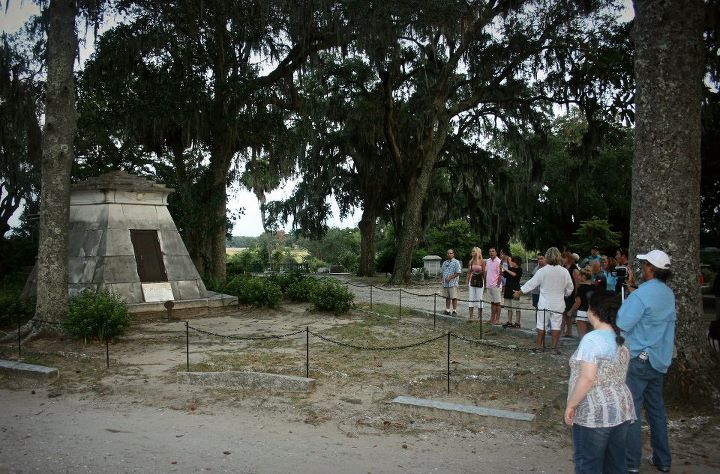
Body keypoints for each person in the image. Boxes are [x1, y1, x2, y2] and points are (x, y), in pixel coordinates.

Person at [617, 249, 675, 473]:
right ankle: (663, 460)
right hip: (659, 360)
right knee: (656, 412)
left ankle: (631, 463)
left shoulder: (642, 294)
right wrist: (634, 291)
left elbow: (623, 321)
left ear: (651, 269)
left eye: (644, 265)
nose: (642, 268)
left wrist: (632, 294)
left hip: (639, 361)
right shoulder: (667, 293)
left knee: (632, 411)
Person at [564, 290, 636, 473]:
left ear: (592, 311)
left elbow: (587, 378)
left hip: (595, 411)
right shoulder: (621, 337)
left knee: (588, 464)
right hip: (621, 408)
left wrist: (571, 405)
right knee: (616, 464)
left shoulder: (592, 339)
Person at [514, 247, 574, 354]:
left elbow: (531, 284)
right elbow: (570, 288)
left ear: (547, 257)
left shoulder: (542, 271)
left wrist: (519, 292)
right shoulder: (564, 271)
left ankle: (538, 347)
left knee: (541, 325)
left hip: (544, 303)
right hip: (558, 304)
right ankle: (554, 349)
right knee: (556, 325)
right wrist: (564, 294)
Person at [569, 268, 595, 339]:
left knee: (582, 336)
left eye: (579, 275)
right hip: (593, 312)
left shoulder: (581, 288)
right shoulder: (595, 287)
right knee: (591, 336)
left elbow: (578, 302)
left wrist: (571, 311)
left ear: (583, 277)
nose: (578, 277)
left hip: (582, 312)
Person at [562, 250, 581, 338]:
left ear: (568, 258)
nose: (562, 259)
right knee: (563, 312)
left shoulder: (574, 269)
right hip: (563, 292)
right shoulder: (563, 267)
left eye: (564, 257)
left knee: (568, 313)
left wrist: (575, 295)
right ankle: (562, 330)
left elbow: (577, 284)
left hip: (571, 293)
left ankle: (569, 331)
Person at [502, 256, 523, 328]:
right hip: (508, 289)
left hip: (515, 290)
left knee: (516, 307)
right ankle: (510, 321)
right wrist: (502, 268)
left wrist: (506, 269)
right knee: (509, 307)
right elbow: (503, 274)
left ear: (516, 262)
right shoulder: (510, 269)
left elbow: (514, 274)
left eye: (513, 261)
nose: (511, 262)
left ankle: (517, 322)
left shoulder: (519, 269)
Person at [440, 249, 462, 317]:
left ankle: (454, 311)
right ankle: (447, 310)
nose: (449, 254)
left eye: (451, 253)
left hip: (453, 283)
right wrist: (441, 278)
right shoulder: (445, 262)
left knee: (454, 297)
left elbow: (458, 272)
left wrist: (450, 277)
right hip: (445, 283)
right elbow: (442, 271)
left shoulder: (456, 262)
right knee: (447, 297)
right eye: (448, 253)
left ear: (453, 254)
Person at [484, 247, 503, 325]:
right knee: (492, 303)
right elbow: (486, 271)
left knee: (497, 303)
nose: (491, 253)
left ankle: (497, 319)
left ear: (496, 252)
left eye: (493, 251)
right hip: (489, 285)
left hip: (496, 285)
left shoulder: (499, 261)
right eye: (490, 251)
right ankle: (492, 319)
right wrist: (485, 282)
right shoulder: (487, 261)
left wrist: (498, 284)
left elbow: (501, 274)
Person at [466, 247, 485, 321]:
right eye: (472, 251)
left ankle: (479, 316)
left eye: (473, 251)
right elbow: (468, 272)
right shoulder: (470, 262)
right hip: (472, 280)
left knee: (479, 298)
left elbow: (484, 272)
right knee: (471, 298)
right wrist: (467, 281)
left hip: (480, 280)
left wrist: (485, 282)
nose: (472, 252)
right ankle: (471, 316)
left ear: (477, 252)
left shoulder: (482, 261)